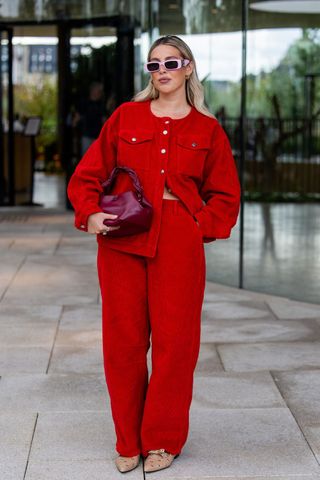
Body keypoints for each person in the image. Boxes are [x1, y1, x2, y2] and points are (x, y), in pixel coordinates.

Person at [67, 35, 241, 474]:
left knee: (176, 346)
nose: (161, 71)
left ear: (188, 68)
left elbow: (226, 195)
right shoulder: (126, 116)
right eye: (153, 64)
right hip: (122, 243)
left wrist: (198, 224)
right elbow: (88, 174)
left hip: (178, 247)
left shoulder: (207, 129)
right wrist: (89, 213)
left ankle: (162, 439)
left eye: (171, 62)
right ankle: (129, 441)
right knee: (123, 344)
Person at [72, 81, 107, 156]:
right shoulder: (84, 103)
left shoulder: (101, 105)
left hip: (97, 136)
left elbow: (104, 120)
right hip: (86, 134)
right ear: (93, 91)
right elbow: (77, 117)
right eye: (98, 91)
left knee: (96, 156)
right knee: (86, 155)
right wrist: (74, 126)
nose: (100, 93)